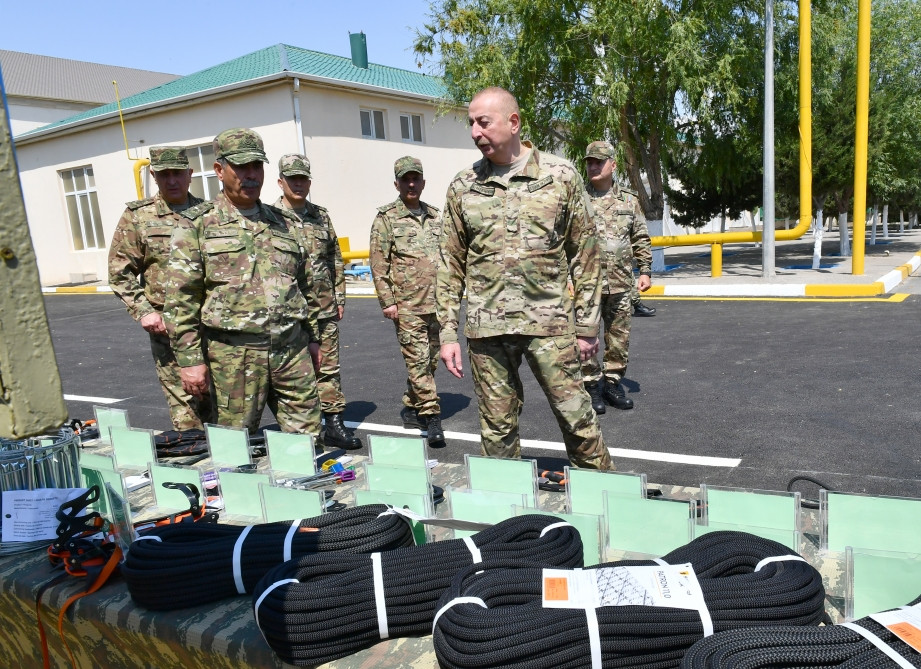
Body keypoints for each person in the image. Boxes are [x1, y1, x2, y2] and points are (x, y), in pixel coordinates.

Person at [437, 87, 612, 470]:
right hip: (488, 330)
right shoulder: (464, 186)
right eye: (471, 124)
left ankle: (608, 499)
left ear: (513, 122)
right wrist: (448, 332)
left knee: (577, 419)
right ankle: (506, 516)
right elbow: (449, 263)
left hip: (548, 324)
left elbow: (585, 254)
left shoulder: (559, 176)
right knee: (496, 431)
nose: (475, 132)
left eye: (484, 122)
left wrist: (586, 326)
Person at [163, 128, 331, 445]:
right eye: (241, 167)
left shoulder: (284, 223)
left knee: (308, 439)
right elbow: (180, 301)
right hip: (233, 357)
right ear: (219, 170)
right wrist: (190, 361)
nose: (251, 175)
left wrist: (314, 339)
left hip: (290, 351)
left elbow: (306, 286)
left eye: (257, 166)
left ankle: (299, 490)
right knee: (234, 447)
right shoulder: (196, 224)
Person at [108, 146, 213, 430]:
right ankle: (194, 457)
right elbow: (120, 272)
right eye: (164, 174)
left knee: (219, 405)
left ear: (189, 174)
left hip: (213, 326)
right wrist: (144, 311)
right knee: (185, 404)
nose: (172, 180)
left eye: (177, 173)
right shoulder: (138, 216)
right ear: (154, 175)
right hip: (169, 329)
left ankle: (226, 462)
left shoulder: (210, 213)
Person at [273, 154, 360, 449]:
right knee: (293, 371)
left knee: (329, 367)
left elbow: (334, 257)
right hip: (287, 313)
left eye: (303, 179)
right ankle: (300, 426)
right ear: (280, 181)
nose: (298, 184)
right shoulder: (269, 218)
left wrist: (339, 297)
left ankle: (334, 423)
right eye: (292, 178)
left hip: (322, 308)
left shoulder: (321, 216)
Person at [369, 156, 444, 445]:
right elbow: (378, 263)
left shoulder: (437, 216)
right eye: (405, 179)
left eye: (416, 179)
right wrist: (387, 301)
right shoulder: (386, 218)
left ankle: (412, 406)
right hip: (407, 305)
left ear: (423, 182)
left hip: (436, 304)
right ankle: (431, 415)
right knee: (418, 363)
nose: (411, 184)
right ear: (397, 183)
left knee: (431, 361)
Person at [581, 140, 653, 413]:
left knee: (619, 338)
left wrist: (645, 271)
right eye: (589, 161)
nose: (593, 166)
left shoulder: (629, 200)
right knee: (586, 338)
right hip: (586, 284)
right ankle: (591, 387)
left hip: (621, 282)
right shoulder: (578, 199)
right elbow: (562, 240)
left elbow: (640, 238)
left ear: (613, 164)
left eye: (599, 161)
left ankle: (612, 383)